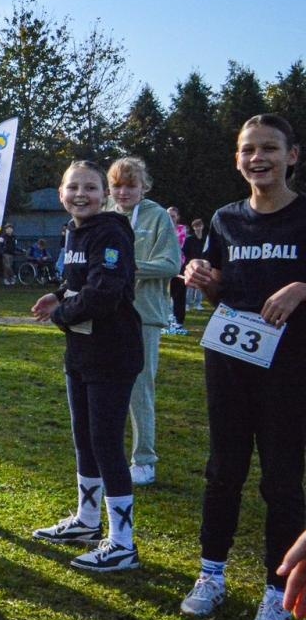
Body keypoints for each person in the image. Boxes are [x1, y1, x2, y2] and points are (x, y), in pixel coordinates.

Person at [179, 114, 306, 620]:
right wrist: (202, 279)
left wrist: (302, 286)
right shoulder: (226, 218)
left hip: (291, 367)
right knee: (222, 470)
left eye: (269, 149)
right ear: (237, 159)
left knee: (281, 479)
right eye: (248, 150)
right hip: (230, 360)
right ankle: (211, 574)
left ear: (292, 156)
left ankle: (278, 596)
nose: (258, 159)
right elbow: (217, 288)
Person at [30, 160, 144, 572]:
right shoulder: (75, 230)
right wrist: (58, 295)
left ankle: (122, 543)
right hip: (80, 352)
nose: (81, 194)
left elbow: (104, 292)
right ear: (61, 192)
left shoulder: (111, 230)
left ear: (105, 194)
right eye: (72, 187)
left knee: (107, 444)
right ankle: (87, 520)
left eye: (90, 188)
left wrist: (61, 314)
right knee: (85, 439)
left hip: (112, 354)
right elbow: (81, 281)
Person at [105, 156, 181, 487]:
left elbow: (170, 264)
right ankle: (107, 455)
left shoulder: (157, 216)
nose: (123, 192)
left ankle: (145, 460)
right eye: (117, 186)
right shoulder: (104, 214)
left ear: (143, 187)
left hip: (144, 315)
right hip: (106, 312)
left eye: (130, 186)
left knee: (139, 388)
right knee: (102, 386)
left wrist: (129, 267)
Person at [166, 205, 190, 335]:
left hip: (178, 265)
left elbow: (177, 245)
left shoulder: (182, 229)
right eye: (168, 215)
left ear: (177, 218)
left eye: (173, 216)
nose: (170, 218)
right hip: (163, 264)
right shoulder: (161, 227)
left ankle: (179, 321)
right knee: (164, 294)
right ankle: (166, 320)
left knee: (179, 295)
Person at [184, 215, 208, 311]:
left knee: (200, 285)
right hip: (191, 264)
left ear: (202, 226)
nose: (198, 228)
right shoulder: (189, 239)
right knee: (190, 285)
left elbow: (208, 251)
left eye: (199, 226)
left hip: (202, 264)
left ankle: (198, 303)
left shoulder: (206, 239)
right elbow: (185, 251)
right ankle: (188, 304)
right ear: (193, 227)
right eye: (196, 226)